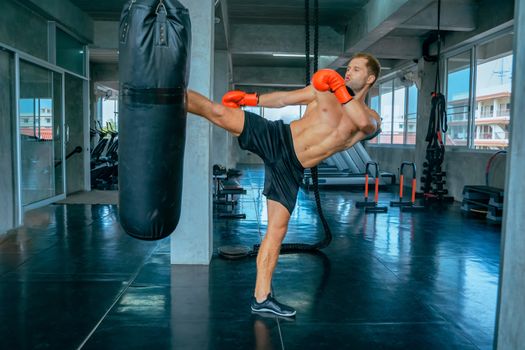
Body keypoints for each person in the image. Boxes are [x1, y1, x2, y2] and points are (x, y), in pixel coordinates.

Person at [187, 52, 382, 317]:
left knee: (276, 232)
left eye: (356, 69)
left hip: (292, 168)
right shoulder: (323, 91)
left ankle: (261, 297)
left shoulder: (371, 117)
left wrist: (337, 86)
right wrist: (249, 99)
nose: (348, 72)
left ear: (370, 78)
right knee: (218, 112)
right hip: (278, 137)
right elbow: (283, 99)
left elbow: (363, 124)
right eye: (348, 67)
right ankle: (162, 93)